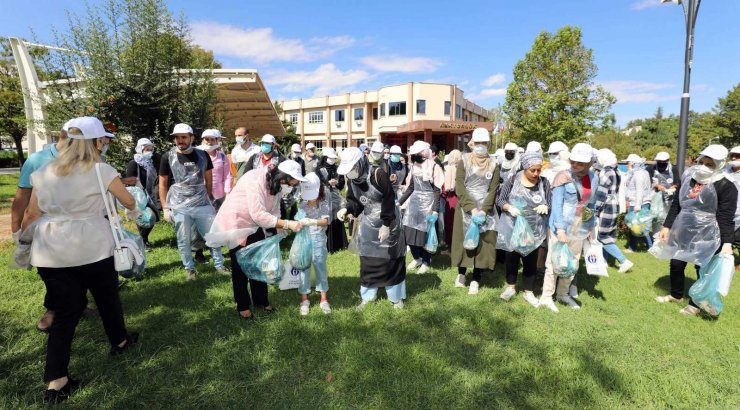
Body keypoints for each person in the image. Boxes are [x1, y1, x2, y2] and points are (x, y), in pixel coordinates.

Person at [21, 117, 139, 403]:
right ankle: (120, 341)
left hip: (50, 249)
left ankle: (56, 380)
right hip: (92, 246)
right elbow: (128, 201)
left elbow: (32, 214)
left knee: (64, 312)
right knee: (107, 297)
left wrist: (24, 243)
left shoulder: (45, 171)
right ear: (97, 141)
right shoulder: (101, 169)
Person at [206, 160, 307, 319]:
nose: (292, 187)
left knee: (260, 261)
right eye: (292, 183)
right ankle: (243, 305)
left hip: (254, 224)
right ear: (283, 177)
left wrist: (279, 226)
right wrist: (287, 224)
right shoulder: (256, 179)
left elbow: (274, 208)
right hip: (237, 222)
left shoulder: (276, 184)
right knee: (240, 264)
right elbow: (258, 214)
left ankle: (261, 300)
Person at [656, 145, 737, 316]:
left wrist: (727, 243)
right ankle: (676, 294)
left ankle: (695, 304)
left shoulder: (726, 186)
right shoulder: (689, 179)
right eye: (702, 162)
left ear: (719, 165)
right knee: (677, 262)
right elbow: (677, 204)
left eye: (710, 164)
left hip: (708, 232)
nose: (704, 166)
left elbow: (725, 217)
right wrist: (667, 226)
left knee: (703, 267)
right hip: (684, 227)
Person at [11, 121, 70, 332]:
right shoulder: (38, 160)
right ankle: (52, 310)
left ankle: (78, 306)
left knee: (75, 271)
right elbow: (22, 196)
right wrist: (17, 229)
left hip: (76, 229)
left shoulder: (85, 160)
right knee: (51, 271)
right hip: (45, 229)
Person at [336, 147, 407, 309]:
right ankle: (368, 297)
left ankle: (396, 298)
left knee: (391, 261)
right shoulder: (353, 179)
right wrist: (346, 209)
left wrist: (386, 224)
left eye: (352, 168)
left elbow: (389, 198)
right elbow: (355, 200)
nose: (350, 172)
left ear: (360, 162)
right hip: (368, 224)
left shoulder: (377, 174)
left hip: (388, 222)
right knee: (369, 261)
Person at [159, 123, 227, 280]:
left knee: (212, 236)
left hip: (202, 203)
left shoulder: (203, 155)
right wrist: (165, 208)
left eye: (183, 137)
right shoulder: (167, 157)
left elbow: (208, 179)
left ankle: (219, 265)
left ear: (192, 138)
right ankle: (189, 269)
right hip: (179, 206)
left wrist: (208, 198)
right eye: (177, 137)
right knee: (184, 239)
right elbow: (162, 183)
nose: (180, 140)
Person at [539, 142, 598, 312]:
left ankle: (563, 293)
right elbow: (556, 205)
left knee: (572, 261)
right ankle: (546, 296)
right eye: (573, 161)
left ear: (589, 163)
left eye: (580, 163)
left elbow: (590, 204)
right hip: (561, 225)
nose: (575, 165)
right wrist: (560, 229)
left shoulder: (594, 178)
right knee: (554, 261)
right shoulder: (562, 176)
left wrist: (589, 227)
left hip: (579, 226)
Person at [496, 151, 550, 307]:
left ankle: (529, 291)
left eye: (539, 170)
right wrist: (509, 208)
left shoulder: (544, 183)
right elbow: (500, 199)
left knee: (530, 260)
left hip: (534, 228)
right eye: (532, 170)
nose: (536, 173)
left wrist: (545, 206)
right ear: (525, 167)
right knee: (512, 258)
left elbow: (550, 202)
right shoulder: (513, 179)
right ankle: (511, 287)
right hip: (513, 225)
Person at [451, 128, 500, 294]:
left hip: (486, 209)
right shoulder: (464, 161)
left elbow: (493, 189)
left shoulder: (494, 163)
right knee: (463, 241)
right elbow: (459, 185)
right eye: (478, 143)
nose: (480, 146)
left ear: (488, 144)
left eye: (484, 143)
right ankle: (461, 274)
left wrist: (484, 210)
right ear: (472, 143)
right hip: (466, 208)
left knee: (482, 244)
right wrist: (471, 208)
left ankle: (476, 278)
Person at [397, 141, 443, 274]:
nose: (414, 156)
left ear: (425, 152)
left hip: (428, 204)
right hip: (414, 204)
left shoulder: (434, 167)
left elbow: (437, 190)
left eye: (417, 153)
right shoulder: (413, 167)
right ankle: (417, 258)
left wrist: (435, 210)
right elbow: (411, 187)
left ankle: (426, 261)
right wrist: (400, 202)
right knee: (409, 234)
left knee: (425, 235)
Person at [296, 172, 333, 315]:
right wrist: (298, 220)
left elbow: (326, 221)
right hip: (304, 238)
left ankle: (323, 299)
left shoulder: (323, 202)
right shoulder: (303, 202)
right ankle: (304, 299)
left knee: (320, 266)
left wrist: (312, 221)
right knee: (304, 268)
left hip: (318, 238)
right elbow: (299, 217)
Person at [594, 149, 633, 272]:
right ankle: (604, 262)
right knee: (609, 235)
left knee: (602, 236)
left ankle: (624, 261)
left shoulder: (606, 171)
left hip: (607, 206)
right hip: (614, 205)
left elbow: (601, 193)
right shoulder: (616, 171)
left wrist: (595, 210)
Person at [124, 138, 161, 246]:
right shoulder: (134, 163)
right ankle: (143, 240)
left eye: (151, 149)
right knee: (143, 217)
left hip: (152, 193)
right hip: (140, 195)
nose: (149, 152)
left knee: (153, 216)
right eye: (146, 149)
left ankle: (143, 239)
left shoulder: (153, 162)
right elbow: (130, 180)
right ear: (140, 149)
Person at [316, 147, 348, 253]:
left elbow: (342, 184)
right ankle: (326, 246)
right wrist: (327, 183)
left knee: (336, 219)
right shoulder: (319, 169)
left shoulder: (338, 169)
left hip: (335, 198)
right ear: (325, 157)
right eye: (330, 158)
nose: (332, 160)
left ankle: (339, 244)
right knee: (325, 219)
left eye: (334, 158)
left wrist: (337, 183)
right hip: (323, 198)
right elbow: (316, 183)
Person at [624, 154, 653, 252]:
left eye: (627, 163)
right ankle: (650, 247)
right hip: (643, 201)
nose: (626, 165)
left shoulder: (637, 174)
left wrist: (637, 206)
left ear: (632, 164)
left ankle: (633, 247)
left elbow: (639, 190)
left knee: (634, 225)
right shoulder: (643, 172)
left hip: (637, 203)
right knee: (643, 226)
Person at [197, 129, 232, 210]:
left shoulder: (222, 156)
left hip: (219, 195)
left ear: (217, 141)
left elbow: (227, 176)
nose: (209, 142)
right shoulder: (198, 155)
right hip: (201, 194)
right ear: (203, 141)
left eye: (212, 139)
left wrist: (227, 193)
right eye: (207, 139)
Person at [726, 146, 740, 270]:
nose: (734, 158)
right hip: (725, 211)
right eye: (732, 155)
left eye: (737, 155)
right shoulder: (725, 170)